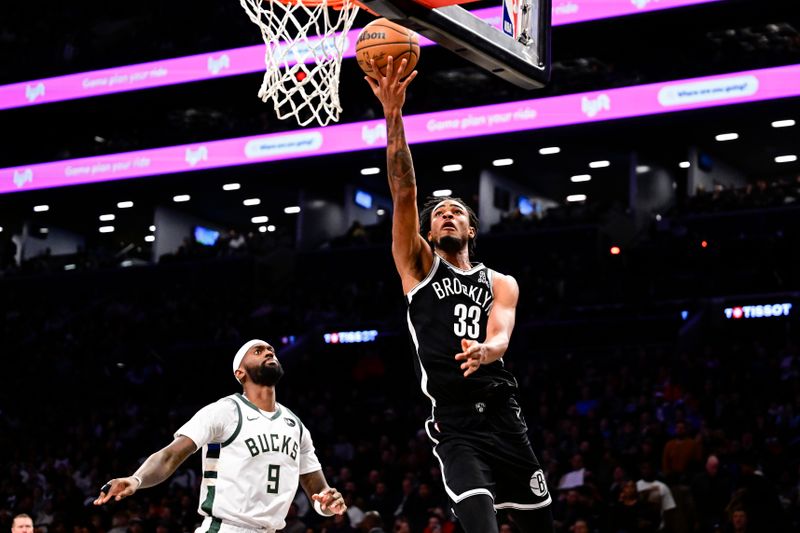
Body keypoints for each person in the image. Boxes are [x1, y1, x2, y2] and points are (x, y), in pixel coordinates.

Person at [365, 57, 554, 533]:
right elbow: (404, 188)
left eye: (457, 211)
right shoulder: (418, 266)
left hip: (502, 413)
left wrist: (486, 351)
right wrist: (393, 114)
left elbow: (501, 336)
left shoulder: (500, 282)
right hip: (455, 424)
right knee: (479, 523)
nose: (446, 215)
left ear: (472, 227)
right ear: (427, 231)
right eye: (439, 213)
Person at [93, 339, 347, 533]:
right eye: (257, 352)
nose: (269, 352)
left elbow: (316, 487)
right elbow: (171, 454)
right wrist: (136, 479)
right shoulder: (224, 411)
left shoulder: (296, 426)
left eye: (271, 350)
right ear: (240, 373)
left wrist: (327, 502)